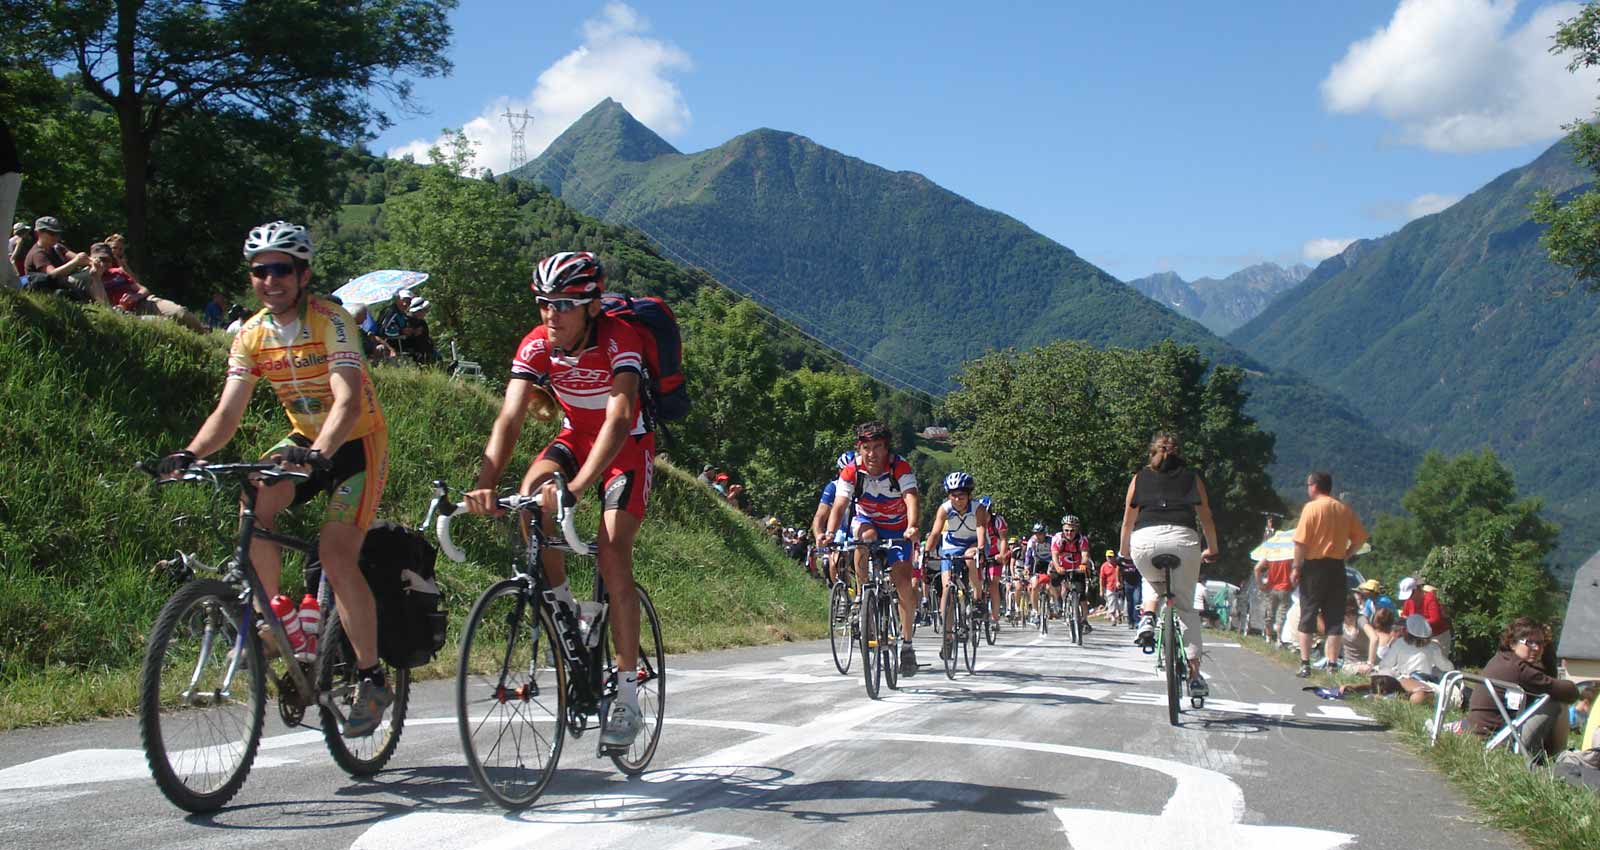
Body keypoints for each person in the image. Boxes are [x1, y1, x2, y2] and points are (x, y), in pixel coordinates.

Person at [155, 221, 392, 736]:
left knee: (335, 554)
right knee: (254, 501)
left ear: (303, 275)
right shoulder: (251, 334)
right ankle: (277, 620)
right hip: (304, 438)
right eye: (260, 271)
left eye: (282, 269)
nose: (270, 280)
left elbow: (348, 400)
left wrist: (321, 454)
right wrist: (190, 453)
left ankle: (372, 678)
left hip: (357, 443)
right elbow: (228, 412)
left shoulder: (331, 321)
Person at [465, 250, 654, 750]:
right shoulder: (536, 344)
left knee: (612, 553)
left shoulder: (620, 339)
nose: (552, 314)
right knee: (530, 501)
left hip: (628, 448)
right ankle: (567, 610)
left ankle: (628, 696)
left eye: (565, 304)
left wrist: (577, 488)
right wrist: (485, 482)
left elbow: (619, 418)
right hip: (575, 438)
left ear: (592, 306)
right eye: (545, 302)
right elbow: (509, 418)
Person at [1119, 432, 1221, 700]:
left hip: (1145, 540)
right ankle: (1195, 676)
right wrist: (1213, 548)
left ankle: (1147, 617)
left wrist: (1124, 552)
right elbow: (1206, 518)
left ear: (1152, 453)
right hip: (1183, 540)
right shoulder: (1192, 478)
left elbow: (1128, 521)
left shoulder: (1139, 478)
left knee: (1151, 578)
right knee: (1186, 608)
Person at [826, 421, 921, 676]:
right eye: (866, 447)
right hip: (867, 520)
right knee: (865, 538)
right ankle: (862, 595)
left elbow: (911, 497)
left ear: (886, 448)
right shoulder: (852, 470)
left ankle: (907, 645)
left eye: (877, 447)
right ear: (859, 448)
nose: (871, 453)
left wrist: (912, 526)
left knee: (903, 583)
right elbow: (840, 504)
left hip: (898, 527)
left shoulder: (899, 467)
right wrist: (830, 533)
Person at [1291, 470, 1368, 678]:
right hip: (1336, 566)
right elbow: (1360, 538)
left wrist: (1296, 567)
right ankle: (1332, 665)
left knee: (1308, 613)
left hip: (1314, 567)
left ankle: (1305, 663)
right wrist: (1347, 553)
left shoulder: (1311, 508)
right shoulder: (1343, 509)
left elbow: (1300, 542)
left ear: (1315, 486)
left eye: (1308, 485)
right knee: (1334, 617)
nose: (1308, 488)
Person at [1467, 618, 1579, 758]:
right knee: (1556, 702)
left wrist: (1547, 648)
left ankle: (1554, 756)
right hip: (1499, 743)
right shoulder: (1520, 670)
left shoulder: (1502, 659)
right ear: (1512, 643)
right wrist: (1550, 654)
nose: (1537, 648)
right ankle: (1558, 757)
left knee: (1551, 698)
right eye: (1529, 642)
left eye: (1541, 643)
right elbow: (1570, 692)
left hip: (1481, 738)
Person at [923, 472, 990, 651]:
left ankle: (977, 599)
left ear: (969, 495)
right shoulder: (944, 509)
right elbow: (935, 532)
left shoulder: (978, 508)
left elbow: (981, 528)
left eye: (961, 495)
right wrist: (926, 552)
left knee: (970, 558)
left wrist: (980, 549)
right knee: (947, 589)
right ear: (948, 495)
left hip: (974, 542)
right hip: (952, 545)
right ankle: (947, 637)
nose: (958, 499)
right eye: (954, 495)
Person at [83, 242, 205, 331]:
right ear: (92, 259)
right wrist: (97, 274)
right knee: (167, 324)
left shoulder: (118, 272)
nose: (104, 263)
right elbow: (103, 304)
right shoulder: (88, 278)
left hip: (144, 302)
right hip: (126, 311)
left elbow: (144, 289)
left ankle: (205, 334)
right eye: (100, 259)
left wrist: (135, 296)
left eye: (107, 260)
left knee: (180, 312)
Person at [1339, 613, 1452, 704]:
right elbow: (1447, 667)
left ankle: (1362, 689)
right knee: (1420, 696)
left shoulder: (1400, 643)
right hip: (1419, 681)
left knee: (1383, 679)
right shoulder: (1433, 647)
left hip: (1400, 679)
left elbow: (1385, 664)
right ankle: (1391, 699)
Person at [23, 216, 95, 299]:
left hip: (61, 283)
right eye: (52, 233)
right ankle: (101, 302)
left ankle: (101, 303)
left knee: (93, 272)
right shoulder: (37, 253)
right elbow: (52, 274)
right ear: (38, 233)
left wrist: (93, 261)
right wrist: (75, 262)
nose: (56, 237)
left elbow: (79, 258)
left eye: (58, 233)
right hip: (48, 287)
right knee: (89, 276)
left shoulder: (57, 247)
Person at [1051, 515, 1093, 633]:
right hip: (1061, 566)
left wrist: (1083, 564)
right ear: (1063, 529)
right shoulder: (1057, 538)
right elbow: (1054, 554)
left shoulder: (1082, 539)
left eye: (1072, 530)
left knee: (1081, 595)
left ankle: (1084, 620)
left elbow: (1085, 554)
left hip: (1077, 568)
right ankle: (1058, 600)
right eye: (1066, 530)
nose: (1069, 533)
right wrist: (1057, 567)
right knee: (1054, 580)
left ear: (1077, 529)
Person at [1399, 576, 1453, 658]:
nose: (1409, 598)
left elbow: (1435, 619)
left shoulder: (1429, 598)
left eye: (1411, 594)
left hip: (1438, 636)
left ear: (1417, 589)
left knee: (1438, 663)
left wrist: (1415, 622)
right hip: (1420, 639)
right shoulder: (1408, 601)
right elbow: (1404, 615)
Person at [1253, 555, 1295, 643]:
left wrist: (1260, 584)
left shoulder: (1271, 555)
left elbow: (1257, 568)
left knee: (1270, 614)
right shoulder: (1290, 556)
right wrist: (1294, 585)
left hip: (1271, 588)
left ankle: (1268, 637)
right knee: (1281, 615)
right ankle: (1279, 639)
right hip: (1285, 588)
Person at [1099, 549, 1122, 626]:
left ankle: (1118, 614)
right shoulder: (1104, 566)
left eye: (1111, 556)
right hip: (1109, 587)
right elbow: (1101, 579)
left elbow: (1121, 575)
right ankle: (1113, 618)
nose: (1110, 558)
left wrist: (1121, 583)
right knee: (1111, 602)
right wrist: (1101, 590)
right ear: (1106, 557)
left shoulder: (1118, 565)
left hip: (1119, 587)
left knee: (1119, 603)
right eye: (1108, 557)